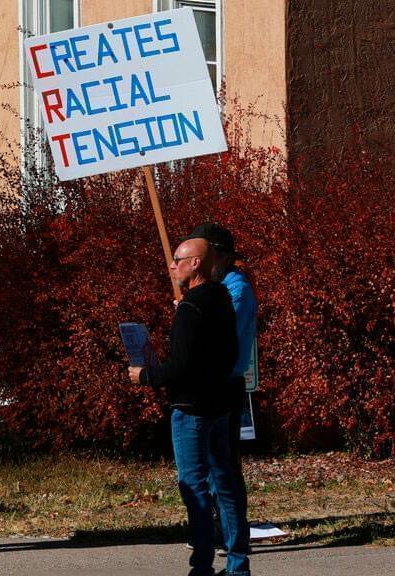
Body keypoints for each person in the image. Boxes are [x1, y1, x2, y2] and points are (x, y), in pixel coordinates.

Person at [127, 238, 245, 576]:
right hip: (219, 405)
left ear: (196, 264)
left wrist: (145, 375)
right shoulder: (221, 300)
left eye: (178, 260)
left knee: (194, 488)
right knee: (225, 485)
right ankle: (238, 565)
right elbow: (223, 354)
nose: (172, 265)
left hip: (191, 409)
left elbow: (180, 366)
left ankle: (202, 567)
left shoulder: (194, 308)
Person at [187, 223, 255, 575]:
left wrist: (193, 313)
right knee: (212, 475)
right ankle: (218, 541)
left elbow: (220, 338)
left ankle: (235, 559)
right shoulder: (215, 290)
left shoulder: (235, 290)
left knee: (224, 475)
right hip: (208, 387)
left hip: (223, 388)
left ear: (222, 256)